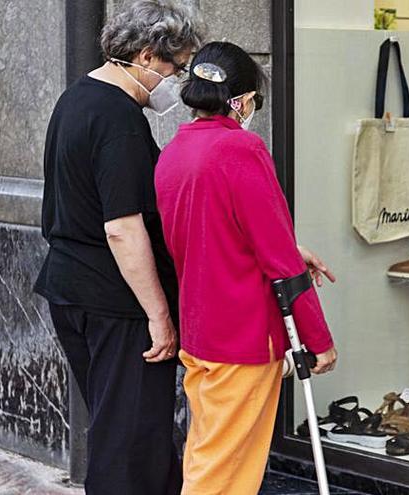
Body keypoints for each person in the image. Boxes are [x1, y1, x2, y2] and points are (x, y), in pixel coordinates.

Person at [34, 2, 203, 493]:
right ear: (148, 56)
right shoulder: (120, 119)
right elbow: (122, 228)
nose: (178, 82)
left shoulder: (76, 98)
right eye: (177, 66)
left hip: (73, 289)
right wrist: (159, 315)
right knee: (131, 441)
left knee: (121, 430)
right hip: (116, 302)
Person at [154, 41, 338, 495]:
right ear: (239, 100)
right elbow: (279, 260)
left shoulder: (174, 152)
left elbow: (211, 232)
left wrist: (291, 247)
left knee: (207, 457)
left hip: (201, 331)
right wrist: (318, 339)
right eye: (253, 98)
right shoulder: (240, 148)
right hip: (243, 337)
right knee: (223, 477)